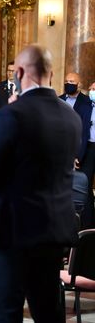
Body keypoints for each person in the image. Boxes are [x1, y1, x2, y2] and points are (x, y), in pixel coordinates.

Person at [0, 45, 82, 322]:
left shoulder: (12, 115)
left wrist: (8, 115)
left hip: (10, 233)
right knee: (48, 313)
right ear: (52, 74)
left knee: (5, 314)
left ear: (19, 73)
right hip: (52, 233)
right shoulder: (71, 116)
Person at [59, 73, 93, 228]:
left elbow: (84, 131)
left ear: (79, 85)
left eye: (72, 81)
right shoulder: (58, 101)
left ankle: (85, 229)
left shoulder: (87, 103)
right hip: (60, 151)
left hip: (81, 152)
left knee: (82, 190)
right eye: (66, 81)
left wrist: (76, 155)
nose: (68, 83)